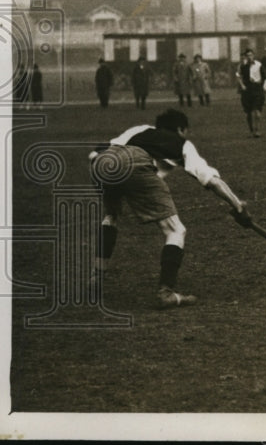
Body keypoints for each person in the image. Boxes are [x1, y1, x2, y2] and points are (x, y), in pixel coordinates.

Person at [88, 108, 250, 308]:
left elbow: (95, 152)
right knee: (176, 230)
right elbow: (210, 180)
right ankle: (167, 293)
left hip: (101, 162)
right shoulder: (183, 143)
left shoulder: (140, 129)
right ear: (181, 129)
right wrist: (237, 205)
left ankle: (96, 279)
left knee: (111, 216)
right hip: (134, 162)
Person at [236, 49, 266, 137]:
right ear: (246, 57)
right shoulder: (243, 66)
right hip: (247, 91)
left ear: (253, 55)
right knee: (248, 112)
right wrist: (242, 85)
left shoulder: (259, 65)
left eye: (251, 55)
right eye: (248, 55)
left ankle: (257, 130)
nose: (249, 57)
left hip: (257, 89)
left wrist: (265, 86)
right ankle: (251, 130)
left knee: (257, 111)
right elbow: (238, 76)